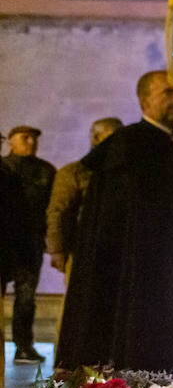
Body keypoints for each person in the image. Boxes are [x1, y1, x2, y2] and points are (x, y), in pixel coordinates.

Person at [56, 71, 173, 373]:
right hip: (135, 258)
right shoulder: (131, 143)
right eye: (167, 93)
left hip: (163, 257)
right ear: (145, 100)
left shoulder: (170, 141)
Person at [2, 125, 55, 363]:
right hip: (5, 243)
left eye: (34, 138)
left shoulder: (45, 171)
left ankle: (23, 345)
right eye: (25, 138)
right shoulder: (4, 168)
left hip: (29, 244)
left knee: (26, 297)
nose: (31, 142)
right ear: (11, 142)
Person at [46, 117, 122, 279]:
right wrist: (57, 250)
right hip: (82, 252)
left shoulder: (126, 174)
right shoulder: (73, 173)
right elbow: (58, 212)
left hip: (117, 252)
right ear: (96, 138)